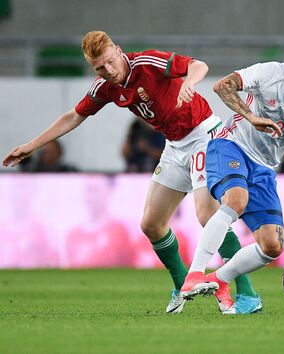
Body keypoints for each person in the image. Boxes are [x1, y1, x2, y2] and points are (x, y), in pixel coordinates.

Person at [2, 31, 259, 314]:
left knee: (207, 215)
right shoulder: (105, 87)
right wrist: (31, 145)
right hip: (174, 146)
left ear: (118, 50)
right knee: (151, 224)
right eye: (100, 67)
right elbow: (74, 115)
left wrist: (189, 82)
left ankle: (247, 294)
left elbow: (199, 66)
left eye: (110, 61)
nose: (108, 70)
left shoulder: (147, 63)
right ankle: (181, 286)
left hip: (204, 135)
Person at [179, 37, 284, 314]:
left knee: (272, 245)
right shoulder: (270, 74)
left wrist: (282, 140)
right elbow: (222, 86)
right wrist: (251, 117)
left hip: (264, 167)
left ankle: (219, 280)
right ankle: (194, 275)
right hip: (231, 145)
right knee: (236, 200)